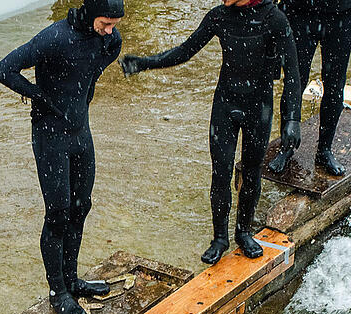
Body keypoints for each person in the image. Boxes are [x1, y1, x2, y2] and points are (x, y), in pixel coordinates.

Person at [120, 0, 301, 265]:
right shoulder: (219, 16)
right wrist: (146, 63)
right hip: (225, 104)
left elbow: (293, 74)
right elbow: (185, 51)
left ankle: (243, 232)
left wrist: (292, 119)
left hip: (258, 107)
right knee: (221, 172)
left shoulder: (274, 19)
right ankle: (219, 238)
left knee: (251, 173)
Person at [0, 0, 124, 314]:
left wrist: (87, 87)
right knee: (58, 213)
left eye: (113, 24)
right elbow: (4, 69)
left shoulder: (109, 39)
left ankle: (73, 279)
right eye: (106, 23)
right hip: (50, 135)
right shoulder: (54, 38)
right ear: (92, 12)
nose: (111, 30)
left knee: (81, 206)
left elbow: (98, 61)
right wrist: (40, 96)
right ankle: (58, 293)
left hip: (81, 132)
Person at [267, 0, 351, 176]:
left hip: (340, 14)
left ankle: (325, 150)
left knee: (335, 86)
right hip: (299, 12)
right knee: (294, 81)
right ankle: (286, 148)